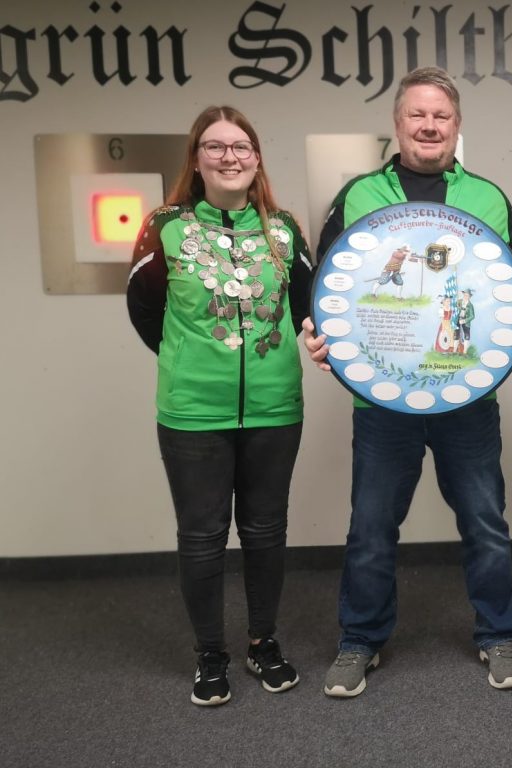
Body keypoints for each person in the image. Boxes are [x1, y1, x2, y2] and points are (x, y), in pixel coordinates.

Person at [301, 66, 512, 697]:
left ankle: (498, 634)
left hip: (468, 397)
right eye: (418, 114)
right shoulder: (358, 196)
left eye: (441, 115)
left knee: (485, 522)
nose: (429, 125)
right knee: (371, 527)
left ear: (457, 125)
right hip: (383, 401)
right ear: (397, 123)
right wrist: (317, 332)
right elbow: (324, 284)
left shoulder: (487, 198)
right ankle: (360, 641)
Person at [127, 106, 313, 706]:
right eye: (215, 146)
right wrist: (191, 359)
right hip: (192, 412)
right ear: (196, 158)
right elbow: (145, 310)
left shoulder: (284, 229)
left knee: (265, 532)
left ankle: (263, 642)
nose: (229, 156)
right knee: (202, 536)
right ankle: (211, 654)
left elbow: (307, 307)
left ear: (256, 158)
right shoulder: (164, 227)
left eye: (241, 146)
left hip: (274, 408)